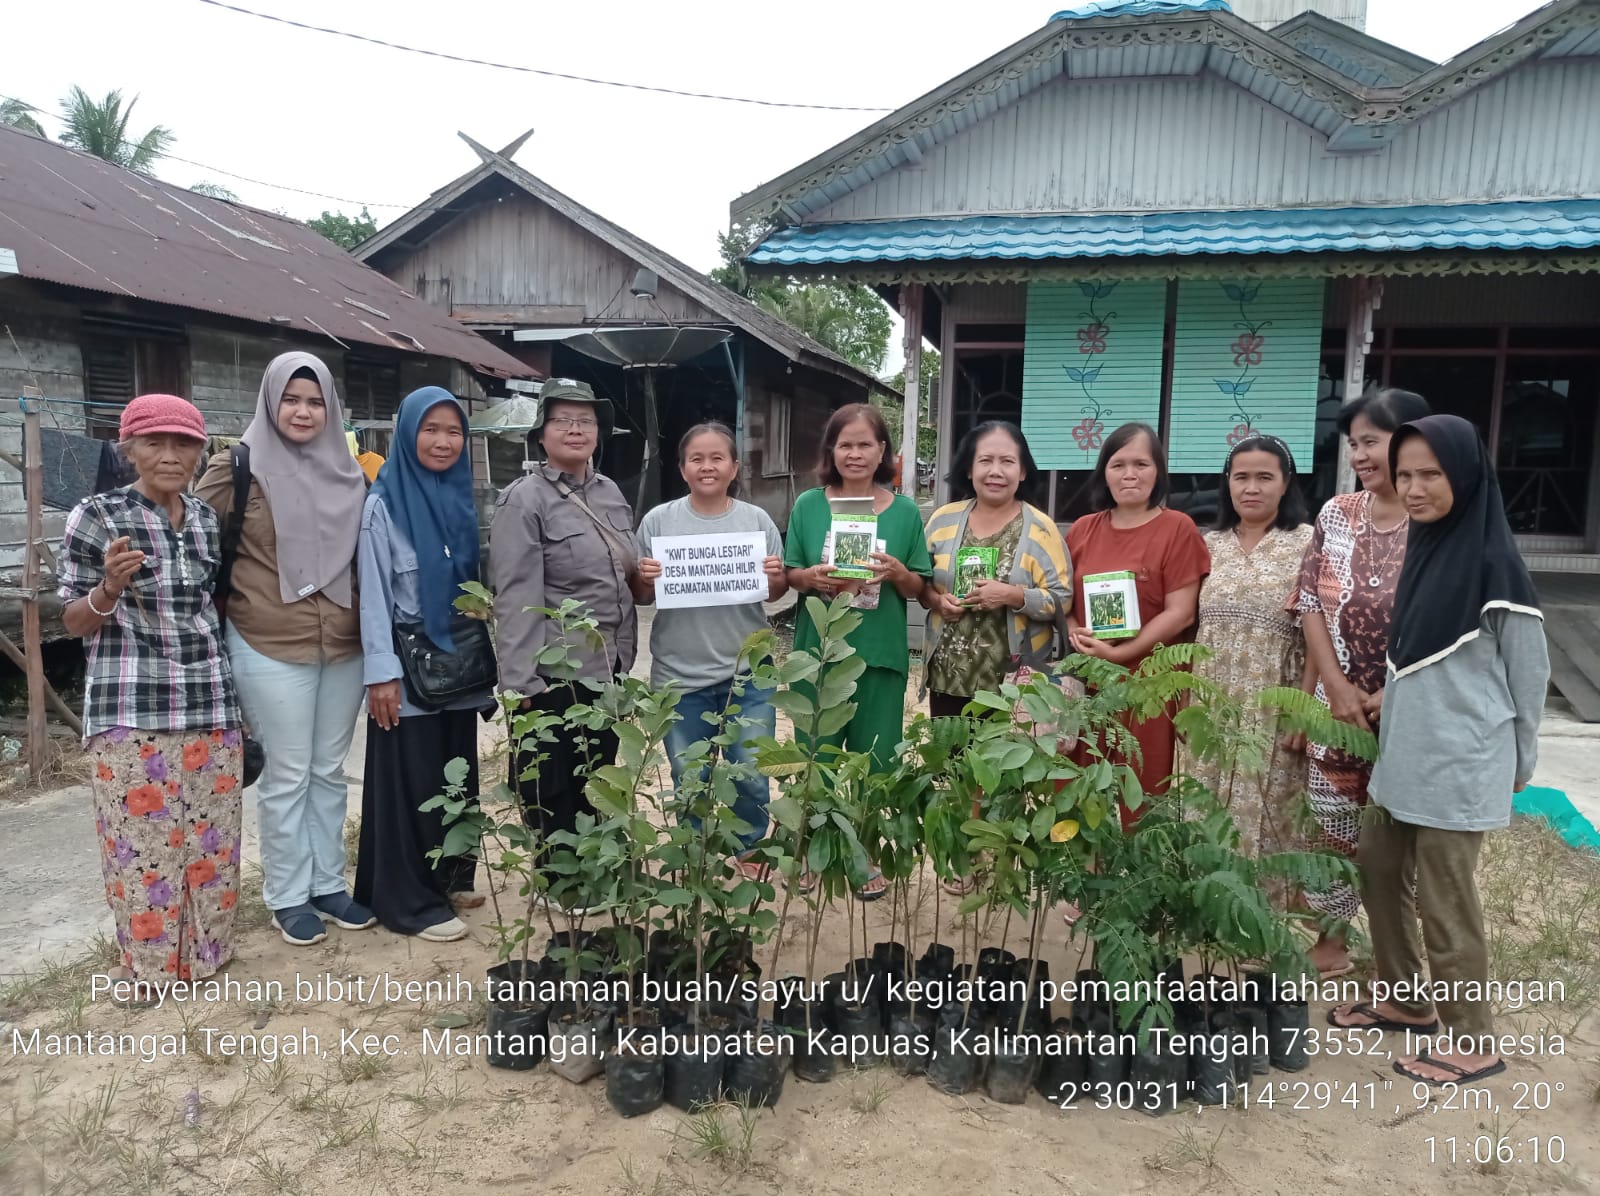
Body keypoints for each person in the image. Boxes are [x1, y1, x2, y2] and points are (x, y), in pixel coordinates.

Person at [1329, 414, 1548, 1087]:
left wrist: (1520, 762)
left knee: (1444, 899)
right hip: (1404, 757)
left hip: (1462, 762)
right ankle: (1405, 998)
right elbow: (1418, 659)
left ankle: (1473, 1039)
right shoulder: (1429, 549)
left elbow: (1529, 674)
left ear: (1467, 475)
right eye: (1406, 475)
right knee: (1377, 867)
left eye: (1432, 474)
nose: (1415, 488)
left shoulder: (1495, 566)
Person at [59, 394, 244, 1002]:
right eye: (155, 443)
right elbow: (71, 621)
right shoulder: (98, 516)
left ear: (201, 450)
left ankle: (207, 957)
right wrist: (109, 586)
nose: (170, 456)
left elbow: (205, 613)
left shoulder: (205, 519)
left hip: (209, 702)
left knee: (211, 841)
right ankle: (148, 969)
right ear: (129, 448)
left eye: (184, 443)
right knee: (141, 846)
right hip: (130, 704)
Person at [197, 352, 373, 948]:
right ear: (270, 402)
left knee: (328, 772)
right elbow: (194, 544)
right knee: (288, 773)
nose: (303, 411)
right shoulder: (235, 468)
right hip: (268, 639)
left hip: (344, 642)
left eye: (315, 401)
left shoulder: (351, 474)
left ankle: (328, 884)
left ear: (331, 409)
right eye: (291, 400)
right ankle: (288, 895)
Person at [1294, 388, 1431, 977]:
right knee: (1333, 823)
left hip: (1413, 704)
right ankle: (1330, 935)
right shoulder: (1335, 514)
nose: (1360, 455)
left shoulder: (1435, 520)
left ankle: (1398, 944)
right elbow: (1308, 603)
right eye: (1354, 444)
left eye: (1371, 441)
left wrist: (1387, 694)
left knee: (1403, 828)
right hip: (1337, 701)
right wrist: (1337, 687)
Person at [354, 387, 488, 942]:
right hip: (408, 672)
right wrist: (380, 673)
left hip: (458, 668)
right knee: (412, 779)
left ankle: (449, 877)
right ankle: (408, 899)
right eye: (430, 429)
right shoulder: (383, 506)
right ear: (406, 434)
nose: (443, 441)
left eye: (453, 431)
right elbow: (374, 597)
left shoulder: (461, 501)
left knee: (455, 773)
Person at [784, 403, 932, 898]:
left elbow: (917, 587)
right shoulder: (809, 506)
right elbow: (790, 576)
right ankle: (813, 848)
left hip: (880, 652)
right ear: (831, 450)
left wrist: (896, 573)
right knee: (817, 754)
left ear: (883, 450)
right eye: (845, 444)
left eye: (865, 444)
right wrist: (810, 578)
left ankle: (862, 852)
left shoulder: (906, 511)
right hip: (823, 653)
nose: (855, 453)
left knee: (875, 760)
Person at [491, 379, 638, 873]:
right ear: (541, 432)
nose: (576, 429)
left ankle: (597, 868)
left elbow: (625, 571)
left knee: (598, 773)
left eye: (586, 421)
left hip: (608, 664)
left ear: (600, 432)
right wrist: (519, 683)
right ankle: (562, 880)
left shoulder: (611, 492)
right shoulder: (524, 499)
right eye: (563, 420)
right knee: (554, 782)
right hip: (555, 671)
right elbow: (515, 596)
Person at [921, 420, 1073, 895]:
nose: (996, 470)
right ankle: (967, 856)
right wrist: (934, 599)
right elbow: (924, 580)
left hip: (1013, 676)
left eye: (1007, 460)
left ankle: (1001, 854)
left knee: (1005, 771)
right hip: (950, 668)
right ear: (969, 468)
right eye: (985, 460)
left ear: (1023, 470)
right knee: (960, 769)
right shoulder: (943, 520)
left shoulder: (1042, 529)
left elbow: (1061, 599)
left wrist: (1013, 595)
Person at [633, 423, 786, 880]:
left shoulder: (756, 522)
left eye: (718, 457)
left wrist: (775, 574)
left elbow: (775, 593)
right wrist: (645, 576)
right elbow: (642, 597)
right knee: (689, 777)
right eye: (697, 458)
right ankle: (696, 852)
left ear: (735, 467)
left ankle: (749, 847)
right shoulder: (658, 522)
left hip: (749, 673)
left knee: (751, 772)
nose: (707, 466)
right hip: (680, 675)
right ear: (682, 468)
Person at [1176, 434, 1312, 891]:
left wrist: (1304, 707)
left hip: (1274, 697)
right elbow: (1186, 626)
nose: (1251, 488)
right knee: (1204, 798)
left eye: (1264, 477)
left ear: (1285, 483)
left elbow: (1318, 634)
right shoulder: (1204, 543)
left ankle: (1262, 912)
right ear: (1227, 483)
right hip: (1210, 695)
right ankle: (1206, 901)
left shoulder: (1309, 543)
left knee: (1268, 801)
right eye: (1241, 477)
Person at [1066, 423, 1210, 824]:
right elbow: (1063, 599)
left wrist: (1120, 653)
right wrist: (1075, 627)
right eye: (1118, 464)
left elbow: (1181, 612)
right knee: (1080, 785)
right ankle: (1084, 876)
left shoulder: (1177, 528)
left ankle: (1138, 881)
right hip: (1089, 678)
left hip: (1150, 683)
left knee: (1143, 792)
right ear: (1104, 473)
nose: (1129, 474)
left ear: (1159, 471)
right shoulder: (1082, 529)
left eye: (1141, 464)